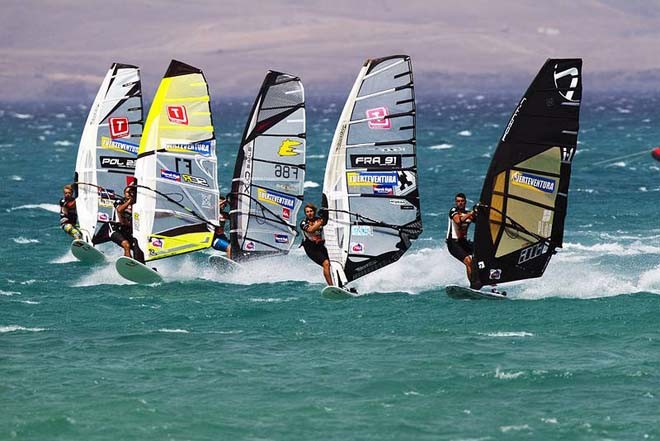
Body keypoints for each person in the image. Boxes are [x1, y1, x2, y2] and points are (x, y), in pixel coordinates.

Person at [446, 192, 481, 289]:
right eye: (458, 201)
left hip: (463, 243)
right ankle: (473, 285)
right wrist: (471, 213)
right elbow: (458, 221)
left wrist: (480, 212)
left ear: (465, 202)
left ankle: (487, 279)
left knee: (482, 254)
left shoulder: (468, 213)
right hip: (453, 243)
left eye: (462, 201)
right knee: (468, 261)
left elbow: (480, 222)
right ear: (455, 202)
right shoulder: (453, 211)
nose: (460, 203)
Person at [300, 203, 333, 286]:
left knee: (334, 263)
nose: (309, 213)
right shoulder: (303, 223)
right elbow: (311, 230)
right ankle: (331, 286)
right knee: (326, 263)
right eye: (307, 212)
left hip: (320, 246)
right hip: (310, 248)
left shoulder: (319, 220)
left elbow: (329, 220)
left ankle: (341, 284)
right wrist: (321, 222)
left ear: (314, 212)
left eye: (311, 211)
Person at [110, 185, 144, 263]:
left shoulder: (137, 205)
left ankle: (140, 265)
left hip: (128, 231)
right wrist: (129, 201)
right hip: (115, 229)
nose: (128, 194)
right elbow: (119, 210)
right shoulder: (119, 201)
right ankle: (129, 263)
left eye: (131, 192)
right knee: (126, 245)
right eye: (127, 192)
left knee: (139, 248)